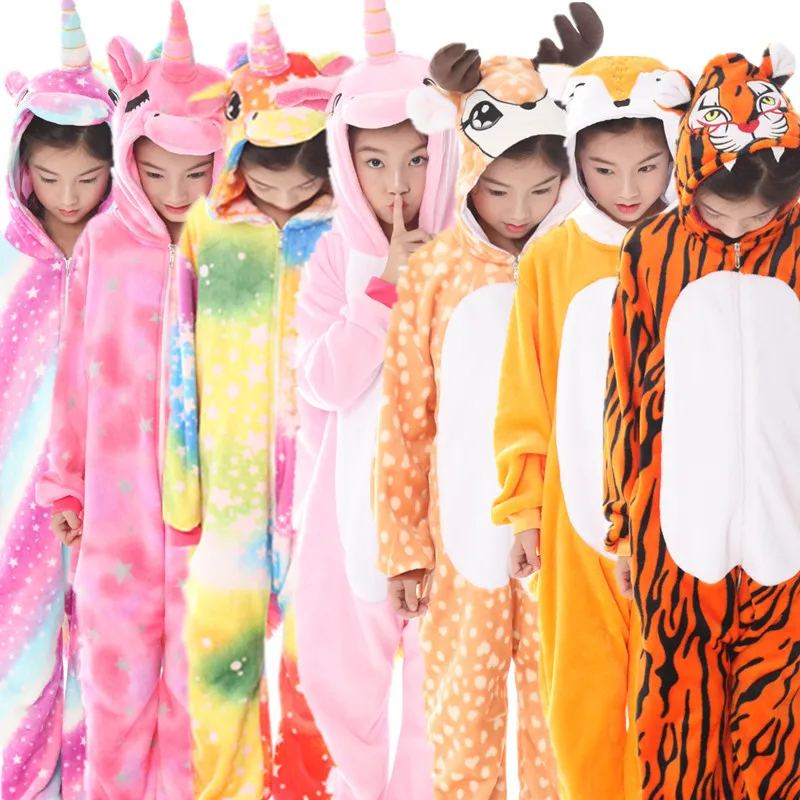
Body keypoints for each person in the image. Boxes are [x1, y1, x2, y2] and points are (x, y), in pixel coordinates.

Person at [374, 5, 603, 798]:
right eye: (499, 187)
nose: (519, 208)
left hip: (558, 535)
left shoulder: (575, 263)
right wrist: (404, 547)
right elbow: (405, 420)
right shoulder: (435, 271)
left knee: (559, 719)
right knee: (461, 724)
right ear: (471, 169)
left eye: (541, 189)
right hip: (459, 537)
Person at [161, 5, 352, 796]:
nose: (286, 188)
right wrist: (183, 492)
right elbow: (178, 359)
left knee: (322, 670)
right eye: (267, 170)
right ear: (238, 155)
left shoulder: (348, 233)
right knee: (219, 668)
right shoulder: (207, 229)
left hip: (323, 492)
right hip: (231, 495)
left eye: (305, 172)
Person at [36, 3, 226, 796]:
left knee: (195, 690)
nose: (176, 191)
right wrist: (66, 481)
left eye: (195, 172)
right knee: (116, 682)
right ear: (129, 155)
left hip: (210, 515)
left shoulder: (233, 247)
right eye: (156, 171)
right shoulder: (106, 247)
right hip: (118, 513)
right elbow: (75, 374)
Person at [272, 0, 459, 796]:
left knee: (436, 686)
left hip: (447, 504)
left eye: (416, 160)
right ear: (346, 162)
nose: (397, 184)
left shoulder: (466, 247)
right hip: (348, 511)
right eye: (375, 163)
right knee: (337, 678)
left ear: (442, 153)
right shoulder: (332, 259)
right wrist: (383, 288)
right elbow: (322, 381)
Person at [603, 44, 800, 798]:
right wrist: (622, 521)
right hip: (673, 522)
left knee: (780, 713)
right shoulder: (651, 250)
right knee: (676, 710)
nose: (742, 228)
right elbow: (626, 392)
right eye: (720, 212)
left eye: (761, 215)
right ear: (690, 179)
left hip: (788, 523)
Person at [492, 55, 677, 799]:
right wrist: (524, 509)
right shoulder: (550, 256)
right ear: (576, 161)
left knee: (668, 692)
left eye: (647, 167)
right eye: (604, 169)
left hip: (671, 511)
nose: (628, 189)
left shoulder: (695, 248)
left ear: (675, 154)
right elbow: (526, 388)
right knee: (580, 696)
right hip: (573, 518)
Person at [0, 2, 114, 796]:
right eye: (49, 177)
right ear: (21, 169)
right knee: (20, 653)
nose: (68, 195)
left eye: (88, 177)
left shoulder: (130, 255)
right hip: (16, 499)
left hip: (112, 491)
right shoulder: (9, 262)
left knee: (107, 650)